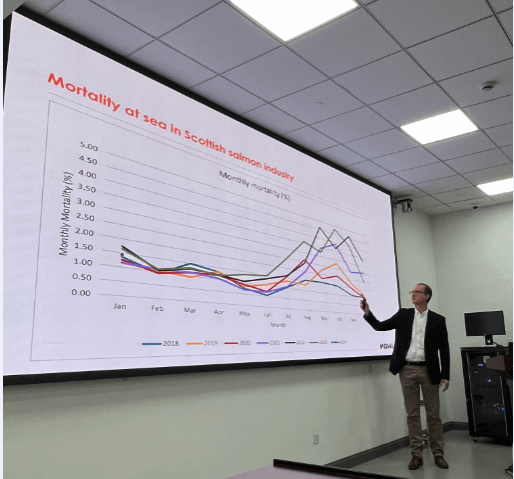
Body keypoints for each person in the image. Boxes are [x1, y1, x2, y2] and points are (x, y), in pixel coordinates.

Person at [360, 284, 450, 470]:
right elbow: (380, 326)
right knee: (412, 414)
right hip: (407, 370)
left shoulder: (438, 320)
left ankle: (438, 453)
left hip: (429, 371)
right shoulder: (404, 315)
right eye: (412, 292)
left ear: (427, 296)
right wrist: (368, 313)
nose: (413, 294)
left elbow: (444, 349)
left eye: (417, 292)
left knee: (433, 415)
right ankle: (417, 454)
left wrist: (446, 375)